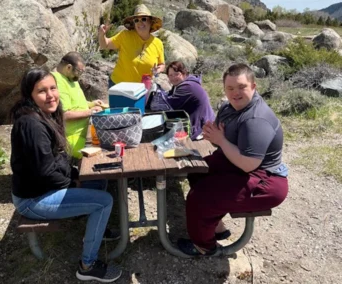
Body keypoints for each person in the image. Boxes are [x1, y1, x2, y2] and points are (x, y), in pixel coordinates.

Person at [10, 67, 122, 282]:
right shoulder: (32, 124)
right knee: (104, 201)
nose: (50, 95)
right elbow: (45, 172)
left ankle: (96, 231)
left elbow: (56, 159)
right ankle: (87, 266)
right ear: (30, 95)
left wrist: (74, 175)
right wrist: (73, 182)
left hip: (43, 187)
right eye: (42, 91)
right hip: (33, 199)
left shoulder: (44, 115)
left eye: (53, 88)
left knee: (99, 180)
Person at [177, 63, 289, 256]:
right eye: (230, 88)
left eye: (241, 87)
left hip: (265, 179)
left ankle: (204, 246)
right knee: (197, 169)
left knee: (200, 198)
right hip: (239, 165)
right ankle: (217, 226)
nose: (235, 93)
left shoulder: (256, 120)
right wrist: (214, 137)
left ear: (253, 87)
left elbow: (249, 164)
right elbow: (221, 144)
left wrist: (220, 139)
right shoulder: (229, 108)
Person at [98, 4, 165, 87]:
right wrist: (102, 35)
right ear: (134, 23)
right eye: (136, 20)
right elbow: (105, 45)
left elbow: (161, 64)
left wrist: (158, 70)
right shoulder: (125, 35)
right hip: (119, 85)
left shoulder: (158, 43)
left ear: (150, 22)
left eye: (143, 19)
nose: (140, 22)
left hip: (142, 88)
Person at [52, 52, 103, 159]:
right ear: (69, 67)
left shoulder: (70, 78)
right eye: (79, 71)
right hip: (72, 138)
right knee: (98, 155)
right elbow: (65, 114)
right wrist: (91, 112)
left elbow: (76, 104)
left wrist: (91, 104)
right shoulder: (57, 81)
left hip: (86, 131)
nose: (80, 75)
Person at [166, 61, 216, 140]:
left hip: (203, 129)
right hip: (203, 123)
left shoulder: (187, 86)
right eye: (170, 75)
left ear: (183, 73)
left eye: (176, 74)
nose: (173, 78)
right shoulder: (184, 83)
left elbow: (169, 105)